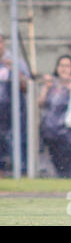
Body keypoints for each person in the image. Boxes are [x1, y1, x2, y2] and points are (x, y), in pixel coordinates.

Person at [38, 55, 71, 179]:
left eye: (67, 66)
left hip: (69, 135)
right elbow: (41, 103)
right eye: (61, 66)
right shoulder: (52, 87)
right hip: (51, 134)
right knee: (56, 167)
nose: (64, 69)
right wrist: (46, 87)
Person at [0, 34, 30, 176]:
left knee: (15, 144)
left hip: (12, 114)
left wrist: (14, 70)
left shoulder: (15, 61)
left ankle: (20, 172)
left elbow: (26, 87)